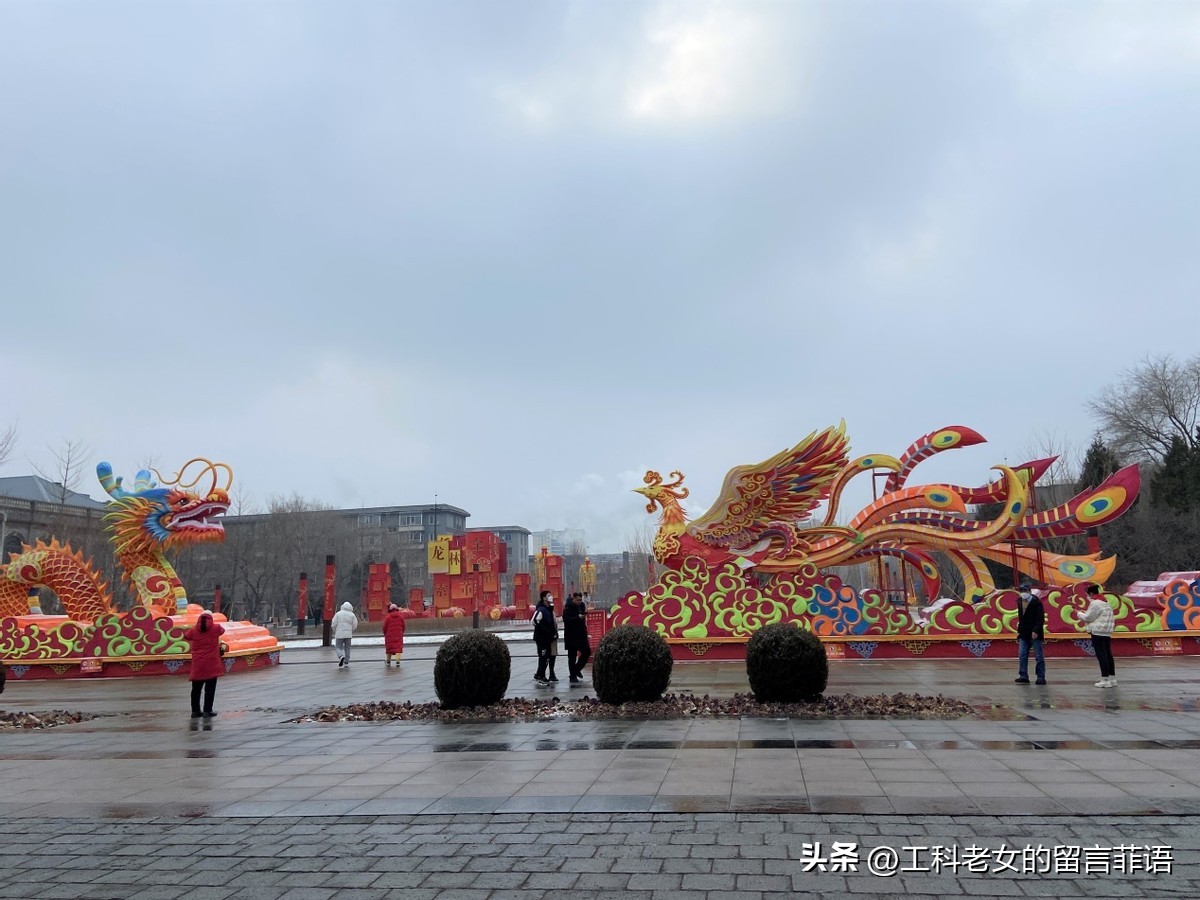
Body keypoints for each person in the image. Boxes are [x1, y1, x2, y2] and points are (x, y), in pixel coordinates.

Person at [184, 611, 225, 718]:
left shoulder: (193, 630)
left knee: (196, 689)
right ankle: (207, 710)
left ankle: (195, 711)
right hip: (211, 662)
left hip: (198, 663)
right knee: (210, 689)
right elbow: (222, 631)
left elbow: (186, 636)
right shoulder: (216, 628)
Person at [1080, 583, 1117, 687]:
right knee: (1108, 655)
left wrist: (1079, 613)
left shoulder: (1095, 603)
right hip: (1106, 632)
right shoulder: (1105, 602)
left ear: (1091, 593)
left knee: (1102, 656)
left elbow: (1088, 618)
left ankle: (1105, 679)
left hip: (1098, 632)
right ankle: (1112, 678)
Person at [1014, 582, 1046, 685]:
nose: (1023, 593)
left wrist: (1036, 630)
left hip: (1035, 633)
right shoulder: (1019, 601)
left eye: (1025, 591)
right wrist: (1019, 632)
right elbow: (1021, 618)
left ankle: (1041, 676)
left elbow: (1040, 618)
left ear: (1030, 591)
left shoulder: (1036, 602)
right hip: (1024, 633)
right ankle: (1023, 675)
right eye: (1022, 591)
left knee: (1038, 656)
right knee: (1022, 654)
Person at [563, 592, 591, 685]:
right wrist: (577, 618)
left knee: (587, 652)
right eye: (578, 600)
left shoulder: (582, 605)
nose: (580, 602)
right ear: (573, 598)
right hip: (571, 635)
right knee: (572, 656)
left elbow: (582, 618)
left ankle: (576, 669)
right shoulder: (568, 607)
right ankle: (573, 676)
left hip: (581, 634)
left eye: (580, 600)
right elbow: (566, 620)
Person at [532, 590, 558, 685]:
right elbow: (534, 621)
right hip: (541, 638)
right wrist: (544, 630)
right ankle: (541, 676)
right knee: (543, 657)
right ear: (544, 598)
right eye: (548, 595)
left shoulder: (549, 609)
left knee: (546, 657)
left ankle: (540, 674)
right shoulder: (541, 609)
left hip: (548, 638)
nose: (551, 597)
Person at [331, 601, 359, 668]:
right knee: (347, 647)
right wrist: (351, 630)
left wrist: (335, 631)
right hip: (348, 634)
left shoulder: (338, 614)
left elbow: (333, 624)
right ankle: (346, 661)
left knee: (338, 647)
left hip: (339, 634)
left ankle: (341, 656)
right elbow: (355, 624)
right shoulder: (352, 615)